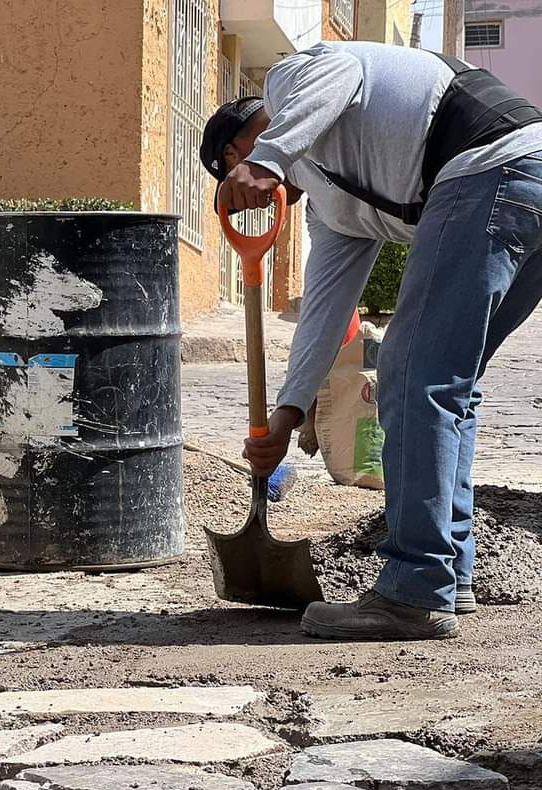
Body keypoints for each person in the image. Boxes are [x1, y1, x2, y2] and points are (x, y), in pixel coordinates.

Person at [199, 41, 542, 640]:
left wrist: (271, 156)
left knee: (414, 379)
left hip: (491, 165)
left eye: (236, 170)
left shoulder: (291, 80)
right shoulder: (334, 207)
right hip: (526, 177)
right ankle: (448, 572)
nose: (253, 192)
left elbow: (342, 71)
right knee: (446, 383)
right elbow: (325, 311)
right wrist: (289, 410)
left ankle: (412, 591)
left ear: (236, 151)